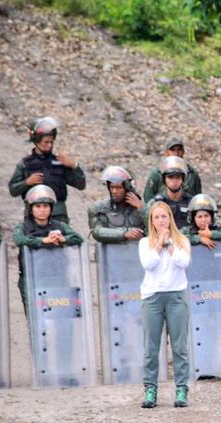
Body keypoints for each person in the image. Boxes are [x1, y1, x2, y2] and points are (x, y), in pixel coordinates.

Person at [139, 201, 192, 409]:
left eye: (164, 216)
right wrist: (159, 244)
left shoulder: (182, 240)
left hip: (176, 295)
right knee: (151, 346)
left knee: (179, 345)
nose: (161, 221)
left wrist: (169, 244)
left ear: (170, 218)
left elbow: (183, 262)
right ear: (151, 221)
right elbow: (148, 264)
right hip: (153, 296)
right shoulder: (145, 242)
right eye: (157, 217)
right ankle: (150, 388)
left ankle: (181, 388)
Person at [13, 185, 83, 313]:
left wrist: (63, 239)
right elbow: (18, 239)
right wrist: (42, 241)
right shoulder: (23, 227)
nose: (42, 210)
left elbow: (78, 239)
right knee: (35, 318)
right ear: (31, 208)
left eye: (45, 206)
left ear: (51, 208)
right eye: (38, 206)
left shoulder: (60, 225)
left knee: (61, 316)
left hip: (57, 277)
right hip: (31, 278)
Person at [8, 117, 86, 223]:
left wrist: (74, 166)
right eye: (46, 142)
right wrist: (27, 183)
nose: (49, 145)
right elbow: (13, 190)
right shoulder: (25, 164)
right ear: (36, 141)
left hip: (58, 215)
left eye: (51, 142)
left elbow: (81, 185)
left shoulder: (60, 162)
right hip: (33, 217)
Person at [88, 166, 145, 243]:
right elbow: (96, 231)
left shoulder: (143, 207)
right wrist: (124, 234)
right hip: (110, 253)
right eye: (112, 187)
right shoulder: (100, 208)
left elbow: (156, 229)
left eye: (118, 188)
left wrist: (141, 208)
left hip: (137, 253)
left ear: (128, 188)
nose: (114, 191)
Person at [143, 137, 202, 203]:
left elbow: (198, 198)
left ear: (183, 152)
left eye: (179, 150)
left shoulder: (192, 173)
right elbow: (148, 198)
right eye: (172, 150)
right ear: (166, 153)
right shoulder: (157, 172)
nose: (176, 153)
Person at [144, 156, 193, 230]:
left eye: (178, 177)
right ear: (164, 179)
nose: (174, 181)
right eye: (170, 177)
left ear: (182, 180)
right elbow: (148, 229)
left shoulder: (191, 201)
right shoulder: (155, 203)